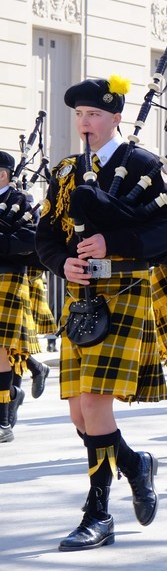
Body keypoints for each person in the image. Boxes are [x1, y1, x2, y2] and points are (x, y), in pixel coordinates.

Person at [36, 76, 167, 549]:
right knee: (79, 414)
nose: (85, 123)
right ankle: (135, 463)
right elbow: (46, 237)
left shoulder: (142, 165)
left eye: (95, 115)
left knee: (96, 402)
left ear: (116, 117)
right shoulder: (63, 172)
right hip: (82, 294)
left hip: (124, 288)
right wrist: (64, 263)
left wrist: (112, 242)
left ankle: (98, 512)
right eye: (79, 115)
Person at [0, 150, 40, 443]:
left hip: (8, 277)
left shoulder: (21, 201)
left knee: (1, 350)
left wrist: (3, 244)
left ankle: (2, 422)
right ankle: (13, 392)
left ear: (3, 174)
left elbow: (33, 237)